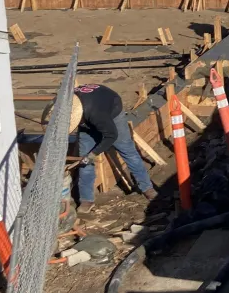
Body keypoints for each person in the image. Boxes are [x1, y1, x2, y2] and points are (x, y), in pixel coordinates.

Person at [45, 84, 157, 214]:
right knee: (84, 161)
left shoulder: (95, 113)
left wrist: (93, 154)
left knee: (127, 151)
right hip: (89, 114)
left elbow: (111, 135)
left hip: (112, 112)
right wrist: (87, 156)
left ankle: (147, 187)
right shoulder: (68, 105)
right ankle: (86, 199)